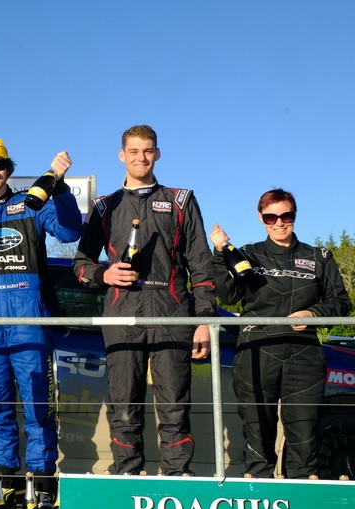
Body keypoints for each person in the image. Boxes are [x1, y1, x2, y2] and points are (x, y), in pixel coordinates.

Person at [72, 125, 216, 476]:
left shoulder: (181, 199)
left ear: (158, 153)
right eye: (134, 151)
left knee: (175, 405)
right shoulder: (104, 206)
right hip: (122, 313)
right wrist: (102, 274)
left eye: (148, 150)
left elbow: (201, 263)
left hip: (172, 313)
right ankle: (126, 475)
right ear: (122, 155)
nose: (141, 157)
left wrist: (204, 320)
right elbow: (80, 262)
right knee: (124, 405)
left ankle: (178, 477)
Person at [0, 138, 83, 509]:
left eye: (0, 165)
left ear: (9, 169)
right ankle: (3, 484)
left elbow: (71, 232)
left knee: (38, 405)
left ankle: (42, 485)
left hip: (29, 319)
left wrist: (60, 186)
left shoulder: (31, 202)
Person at [210, 189, 350, 479]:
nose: (279, 223)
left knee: (304, 431)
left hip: (303, 351)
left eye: (286, 215)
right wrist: (219, 254)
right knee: (257, 430)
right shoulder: (248, 254)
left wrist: (314, 315)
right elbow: (227, 295)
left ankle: (303, 494)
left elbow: (342, 303)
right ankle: (258, 493)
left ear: (294, 216)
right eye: (271, 217)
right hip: (256, 349)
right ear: (261, 218)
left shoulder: (318, 256)